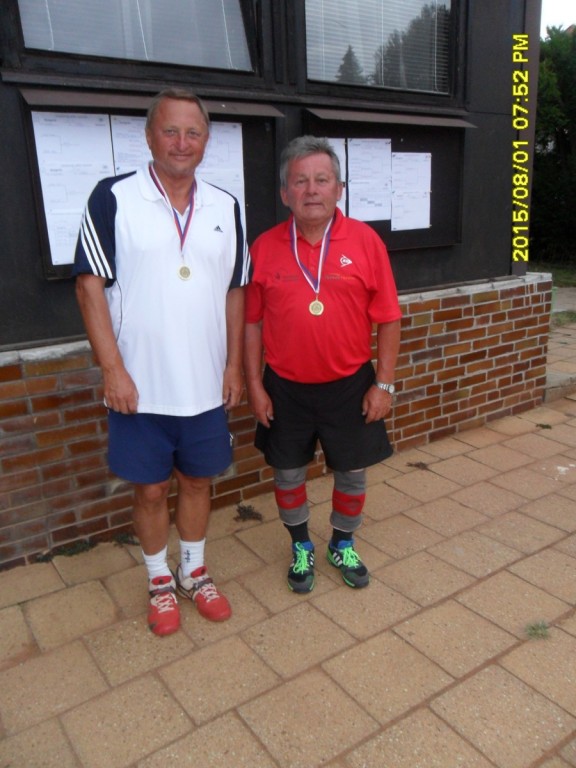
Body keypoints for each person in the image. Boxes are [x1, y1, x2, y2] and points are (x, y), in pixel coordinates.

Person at [74, 88, 251, 636]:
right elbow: (88, 286)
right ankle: (158, 580)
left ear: (206, 140)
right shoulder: (113, 197)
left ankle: (194, 573)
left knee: (197, 482)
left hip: (205, 384)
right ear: (150, 136)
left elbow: (236, 291)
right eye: (170, 131)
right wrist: (112, 369)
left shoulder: (225, 205)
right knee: (150, 489)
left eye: (192, 132)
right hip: (139, 386)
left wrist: (233, 366)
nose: (181, 142)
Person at [244, 135, 401, 593]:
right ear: (285, 193)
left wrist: (384, 385)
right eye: (300, 181)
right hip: (284, 387)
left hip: (350, 385)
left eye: (322, 180)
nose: (311, 190)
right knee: (287, 473)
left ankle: (342, 542)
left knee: (352, 472)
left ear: (339, 189)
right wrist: (255, 385)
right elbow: (251, 323)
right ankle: (300, 545)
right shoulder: (264, 247)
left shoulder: (366, 242)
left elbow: (389, 318)